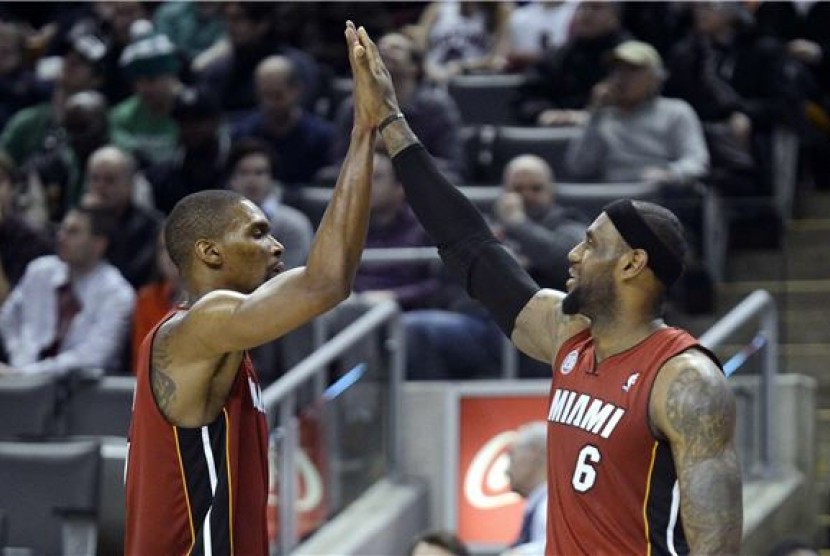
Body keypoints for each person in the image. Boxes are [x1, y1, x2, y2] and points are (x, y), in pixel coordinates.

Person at [354, 23, 742, 554]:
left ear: (632, 264)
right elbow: (472, 247)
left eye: (591, 245)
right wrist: (393, 125)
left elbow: (717, 545)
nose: (573, 255)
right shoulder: (568, 337)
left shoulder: (685, 380)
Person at [124, 21, 384, 555]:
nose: (276, 247)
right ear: (210, 253)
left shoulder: (212, 335)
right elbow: (327, 281)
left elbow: (322, 279)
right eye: (258, 233)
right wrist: (364, 131)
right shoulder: (204, 322)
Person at [0, 206, 135, 376]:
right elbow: (7, 318)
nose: (61, 237)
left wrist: (26, 374)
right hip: (23, 378)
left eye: (73, 232)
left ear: (98, 244)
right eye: (62, 229)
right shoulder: (40, 271)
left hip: (83, 395)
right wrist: (18, 355)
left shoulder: (118, 294)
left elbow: (93, 357)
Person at [503, 421, 548, 555]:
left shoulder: (549, 506)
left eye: (512, 457)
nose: (506, 471)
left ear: (535, 454)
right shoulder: (539, 504)